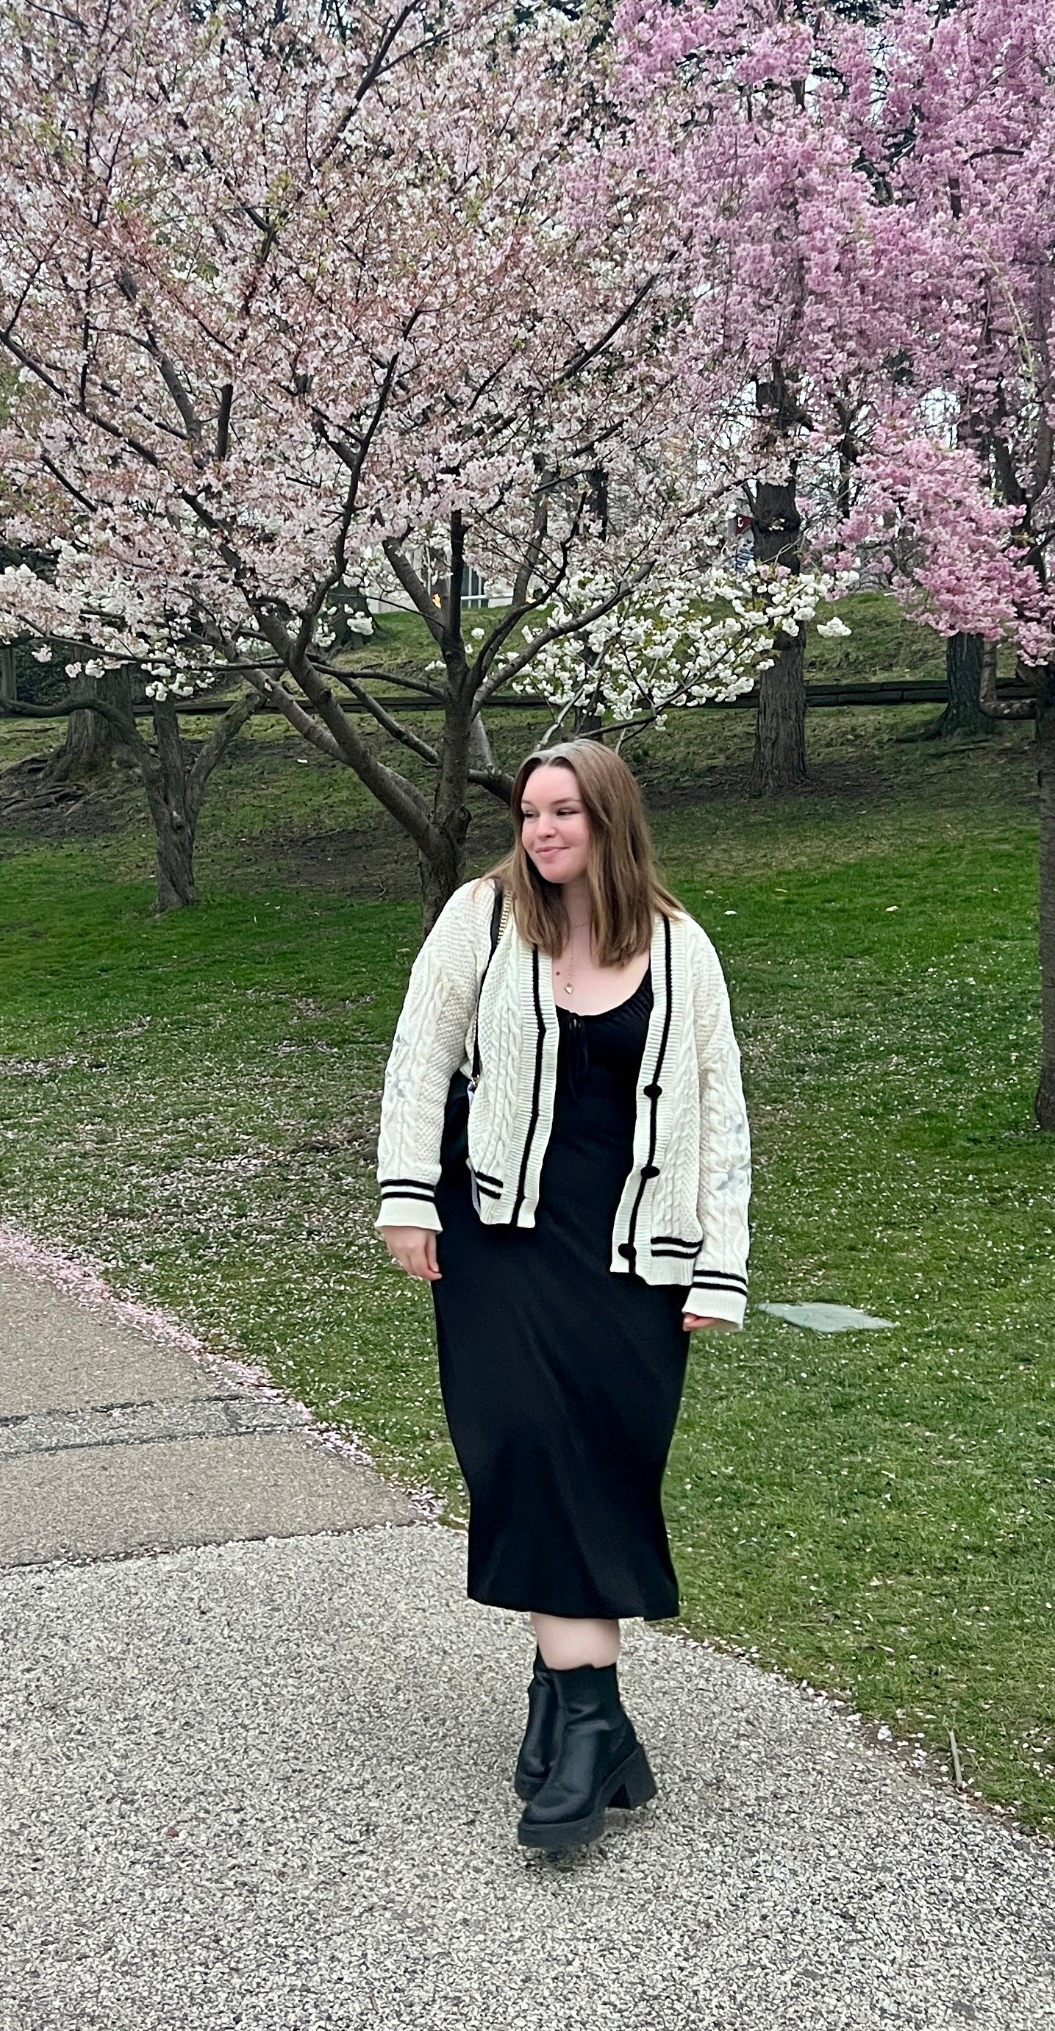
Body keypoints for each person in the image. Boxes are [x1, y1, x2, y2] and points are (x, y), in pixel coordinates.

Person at [376, 738, 752, 1853]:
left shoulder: (683, 949)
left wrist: (719, 1263)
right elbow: (419, 1055)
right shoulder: (481, 919)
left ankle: (572, 1703)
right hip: (500, 1241)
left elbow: (721, 1110)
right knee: (529, 1447)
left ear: (610, 821)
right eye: (530, 812)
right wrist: (408, 1197)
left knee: (604, 1459)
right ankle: (589, 1725)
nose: (541, 831)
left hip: (636, 1254)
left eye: (564, 812)